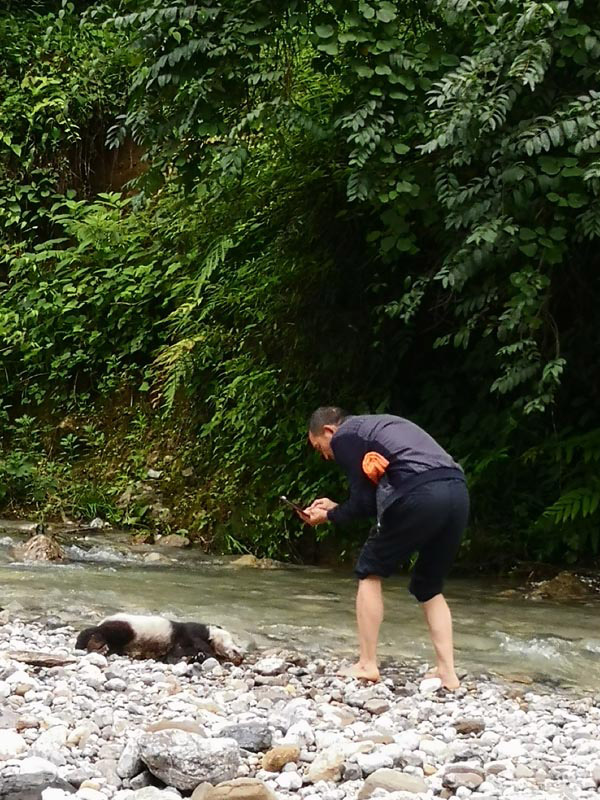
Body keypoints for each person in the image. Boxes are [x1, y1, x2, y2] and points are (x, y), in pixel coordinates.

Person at [302, 406, 469, 689]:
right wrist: (335, 508)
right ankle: (447, 672)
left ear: (329, 431)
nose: (325, 456)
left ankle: (367, 663)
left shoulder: (345, 437)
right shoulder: (375, 427)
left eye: (320, 447)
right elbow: (367, 501)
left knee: (369, 570)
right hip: (457, 491)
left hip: (419, 494)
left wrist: (328, 515)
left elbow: (364, 502)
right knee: (429, 586)